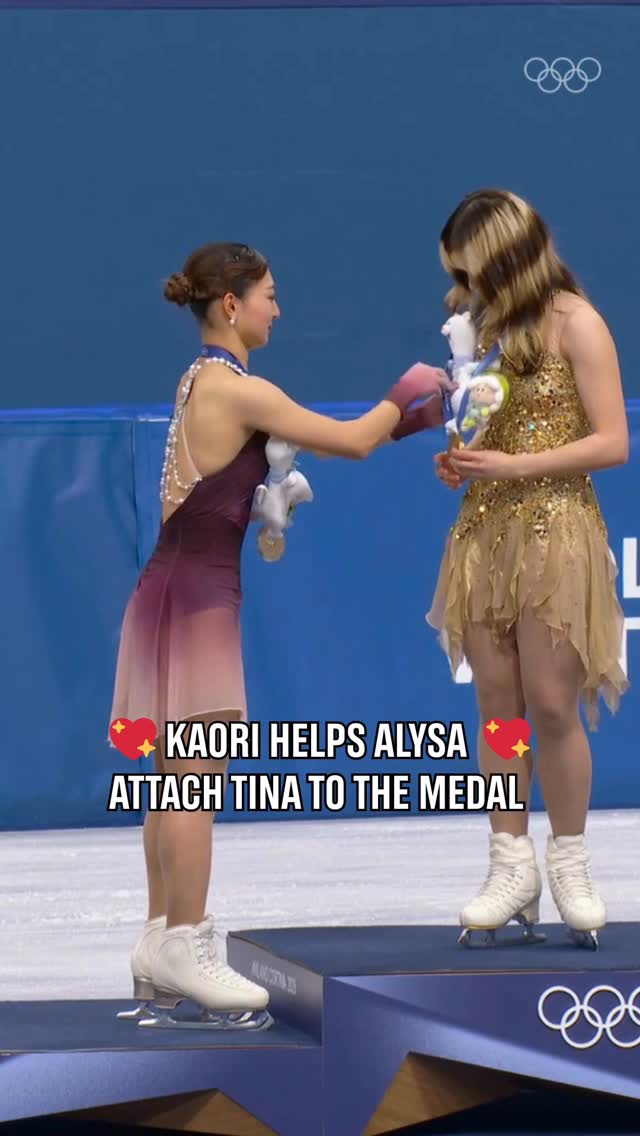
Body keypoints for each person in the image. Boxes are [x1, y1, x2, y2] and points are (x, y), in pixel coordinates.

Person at [109, 241, 453, 1026]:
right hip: (196, 596)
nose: (278, 307)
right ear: (231, 304)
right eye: (269, 293)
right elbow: (354, 439)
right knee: (195, 776)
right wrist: (412, 391)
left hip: (166, 587)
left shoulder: (198, 379)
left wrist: (403, 420)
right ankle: (187, 942)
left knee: (172, 774)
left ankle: (160, 939)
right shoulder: (241, 390)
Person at [426, 190, 629, 950]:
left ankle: (569, 860)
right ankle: (509, 861)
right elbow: (481, 429)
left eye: (470, 269)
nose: (465, 285)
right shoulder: (483, 333)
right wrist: (464, 461)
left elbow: (612, 442)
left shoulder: (578, 323)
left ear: (506, 256)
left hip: (558, 530)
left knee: (549, 703)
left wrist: (517, 465)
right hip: (486, 531)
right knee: (499, 706)